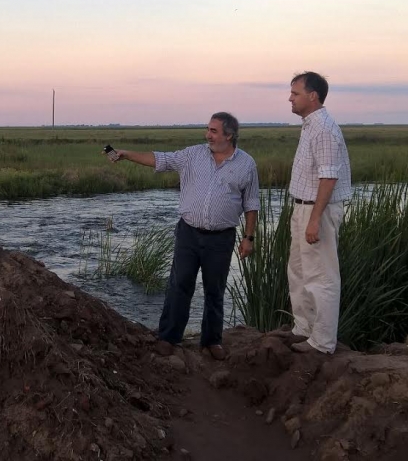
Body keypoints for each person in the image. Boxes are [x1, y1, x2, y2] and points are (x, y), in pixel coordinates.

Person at [107, 112, 259, 360]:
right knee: (179, 285)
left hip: (221, 238)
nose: (207, 135)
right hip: (188, 233)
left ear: (229, 135)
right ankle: (169, 337)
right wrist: (126, 154)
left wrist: (249, 237)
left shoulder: (247, 164)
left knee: (215, 289)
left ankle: (212, 341)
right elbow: (160, 159)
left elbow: (251, 203)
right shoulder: (193, 155)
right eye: (207, 129)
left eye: (213, 131)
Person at [286, 72, 352, 354]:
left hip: (317, 210)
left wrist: (314, 219)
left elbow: (329, 177)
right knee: (299, 271)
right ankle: (304, 329)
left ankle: (323, 342)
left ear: (312, 96)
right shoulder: (310, 125)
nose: (290, 97)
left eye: (295, 93)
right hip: (304, 207)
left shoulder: (324, 128)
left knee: (321, 276)